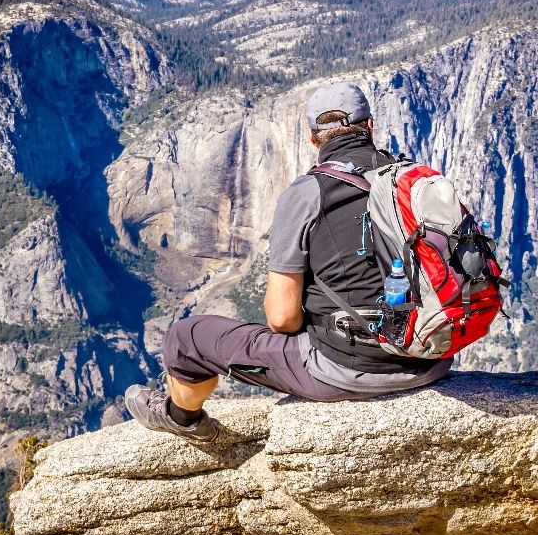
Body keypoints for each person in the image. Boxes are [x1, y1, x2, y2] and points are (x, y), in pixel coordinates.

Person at [125, 81, 452, 441]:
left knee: (186, 337)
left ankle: (181, 418)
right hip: (430, 357)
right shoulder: (415, 182)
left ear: (313, 139)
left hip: (344, 370)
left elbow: (282, 319)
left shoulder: (307, 193)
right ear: (370, 127)